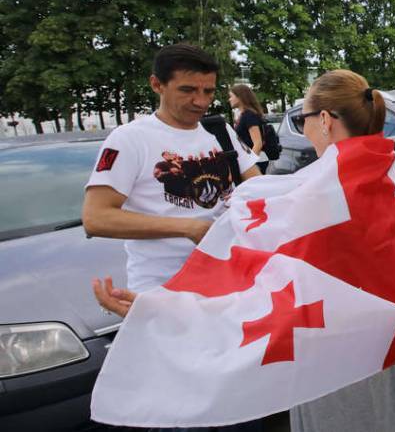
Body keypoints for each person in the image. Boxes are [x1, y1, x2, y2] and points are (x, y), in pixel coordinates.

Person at [84, 43, 262, 431]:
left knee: (237, 408)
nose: (200, 101)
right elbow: (96, 218)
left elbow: (260, 192)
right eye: (187, 90)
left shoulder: (220, 131)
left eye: (209, 91)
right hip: (167, 300)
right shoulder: (130, 139)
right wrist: (188, 227)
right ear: (156, 85)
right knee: (184, 414)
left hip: (228, 297)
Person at [287, 69, 395, 432]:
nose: (303, 129)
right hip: (389, 340)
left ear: (324, 120)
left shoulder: (320, 190)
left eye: (302, 118)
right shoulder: (383, 170)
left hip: (339, 358)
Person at [229, 83, 270, 173]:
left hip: (257, 162)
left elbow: (258, 143)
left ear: (240, 97)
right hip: (255, 160)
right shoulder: (245, 115)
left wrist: (249, 163)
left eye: (231, 96)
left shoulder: (249, 115)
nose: (229, 99)